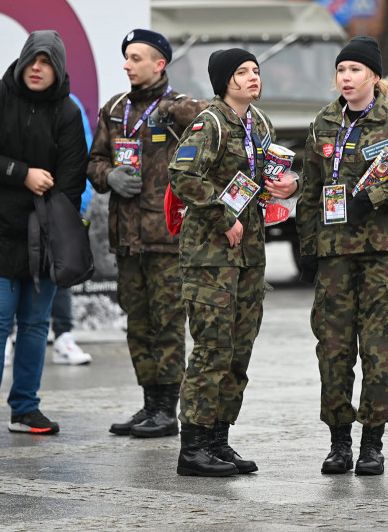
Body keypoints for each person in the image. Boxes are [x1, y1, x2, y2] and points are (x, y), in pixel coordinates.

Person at [297, 36, 388, 477]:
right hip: (334, 253)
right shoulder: (324, 122)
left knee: (380, 349)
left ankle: (372, 444)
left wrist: (376, 196)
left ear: (374, 77)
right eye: (341, 69)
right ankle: (339, 442)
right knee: (333, 349)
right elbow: (310, 190)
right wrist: (307, 247)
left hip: (382, 253)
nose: (346, 77)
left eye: (355, 70)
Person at [167, 47, 297, 476]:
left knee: (239, 350)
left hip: (249, 255)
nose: (252, 77)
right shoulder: (210, 123)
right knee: (212, 349)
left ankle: (218, 440)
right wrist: (223, 215)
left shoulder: (259, 123)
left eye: (256, 70)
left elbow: (262, 176)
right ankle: (193, 448)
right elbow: (182, 175)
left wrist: (284, 186)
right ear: (225, 81)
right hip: (210, 256)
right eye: (242, 72)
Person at [0, 30, 87, 439]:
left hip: (44, 235)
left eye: (46, 62)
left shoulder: (67, 111)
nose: (37, 68)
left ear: (58, 68)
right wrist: (22, 174)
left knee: (34, 324)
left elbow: (73, 179)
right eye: (33, 59)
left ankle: (25, 408)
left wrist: (52, 219)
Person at [87, 29, 207, 439]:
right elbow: (94, 161)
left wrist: (174, 113)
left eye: (136, 58)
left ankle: (167, 409)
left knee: (167, 324)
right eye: (126, 57)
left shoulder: (180, 107)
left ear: (159, 64)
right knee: (138, 324)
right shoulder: (114, 109)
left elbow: (214, 126)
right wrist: (109, 175)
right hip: (127, 237)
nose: (127, 65)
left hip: (166, 238)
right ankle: (149, 403)